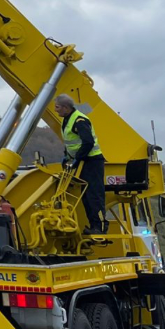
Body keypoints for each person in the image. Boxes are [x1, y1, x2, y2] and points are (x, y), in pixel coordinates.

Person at [54, 94, 105, 233]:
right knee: (86, 196)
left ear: (65, 107)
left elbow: (88, 142)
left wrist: (78, 158)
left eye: (57, 107)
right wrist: (67, 155)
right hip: (83, 161)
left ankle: (99, 227)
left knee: (94, 195)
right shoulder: (67, 119)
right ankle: (93, 225)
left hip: (92, 162)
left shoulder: (79, 120)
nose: (55, 110)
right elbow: (72, 142)